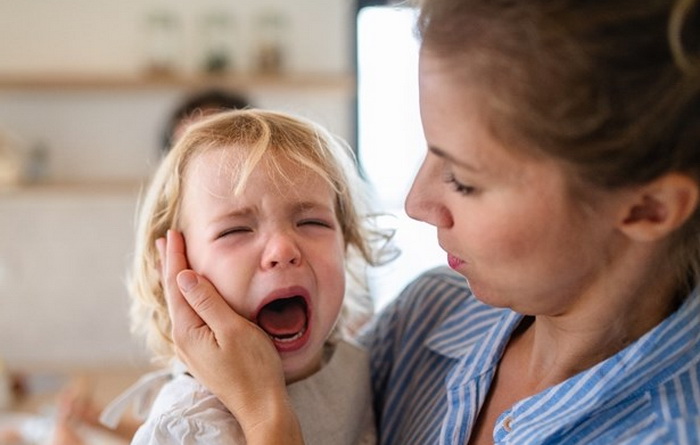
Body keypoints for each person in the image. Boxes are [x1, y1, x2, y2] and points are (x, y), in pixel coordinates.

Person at [156, 0, 700, 443]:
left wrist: (266, 415)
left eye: (463, 179)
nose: (417, 202)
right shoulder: (427, 316)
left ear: (646, 209)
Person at [99, 108, 391, 444]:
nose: (283, 249)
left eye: (313, 222)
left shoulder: (356, 367)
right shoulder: (189, 424)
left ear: (347, 243)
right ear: (174, 269)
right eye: (236, 230)